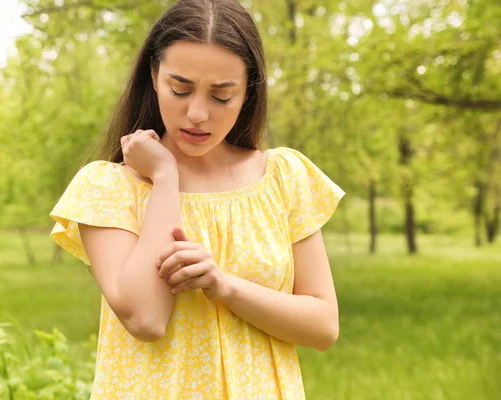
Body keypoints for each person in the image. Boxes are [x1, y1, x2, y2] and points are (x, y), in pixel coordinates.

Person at [49, 0, 345, 398]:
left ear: (247, 94)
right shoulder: (109, 187)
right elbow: (145, 318)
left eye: (221, 96)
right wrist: (165, 175)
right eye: (180, 89)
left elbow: (323, 326)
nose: (198, 114)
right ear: (154, 76)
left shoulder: (282, 177)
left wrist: (224, 285)